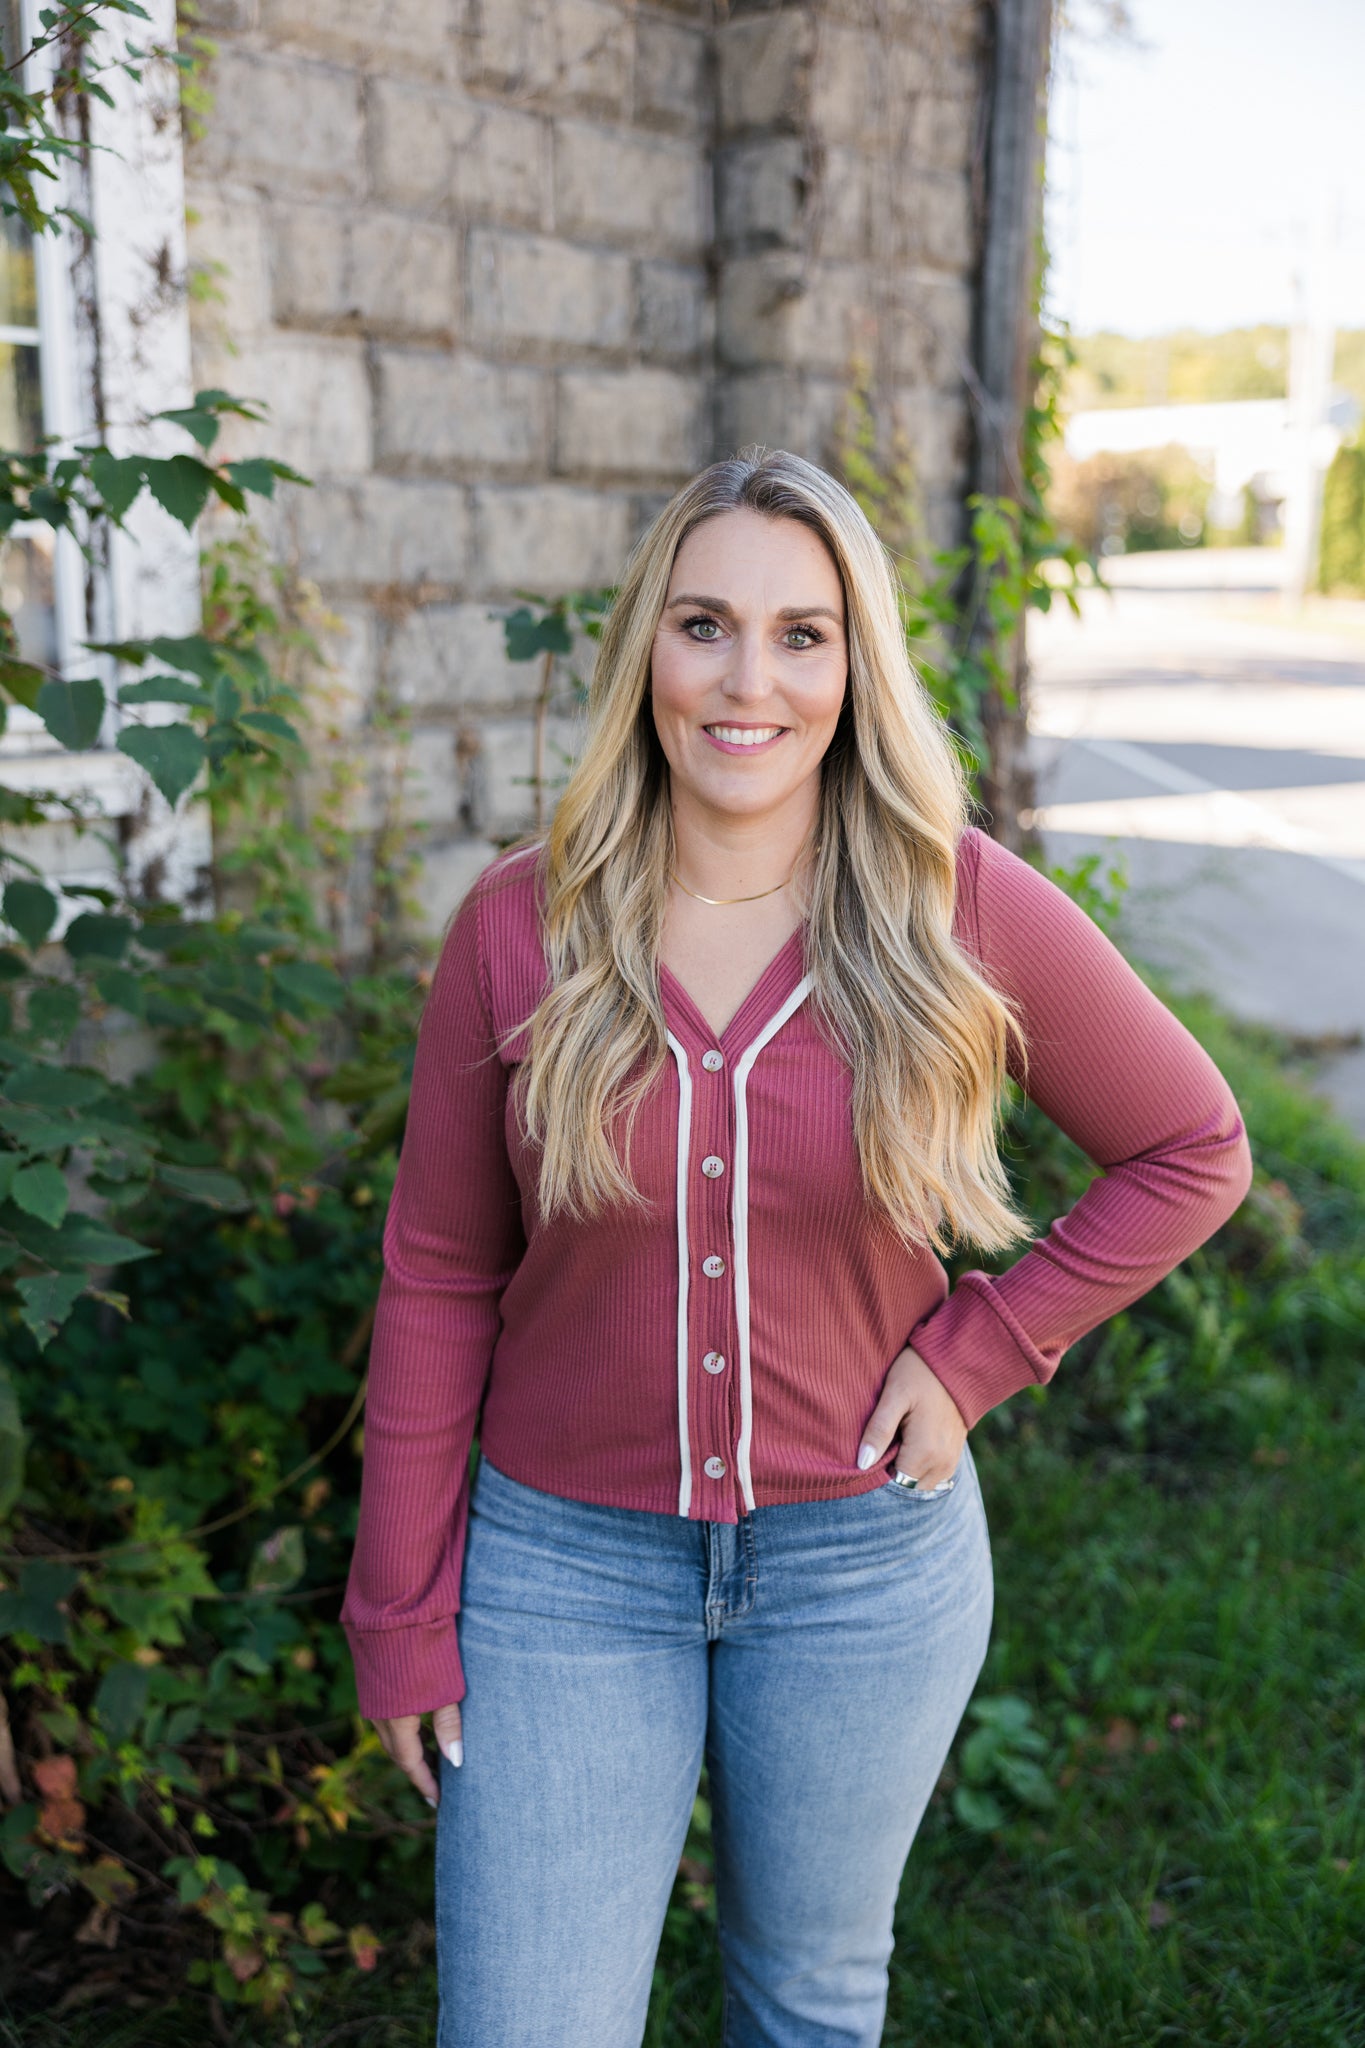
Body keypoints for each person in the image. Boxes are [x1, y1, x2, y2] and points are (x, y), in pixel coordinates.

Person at [340, 448, 1252, 2048]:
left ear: (853, 665)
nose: (745, 678)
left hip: (862, 1570)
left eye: (800, 633)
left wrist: (976, 1353)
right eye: (703, 625)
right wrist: (398, 1609)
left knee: (807, 1999)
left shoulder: (948, 908)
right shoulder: (517, 925)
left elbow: (1191, 1149)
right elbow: (437, 1273)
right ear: (647, 653)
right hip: (560, 1570)